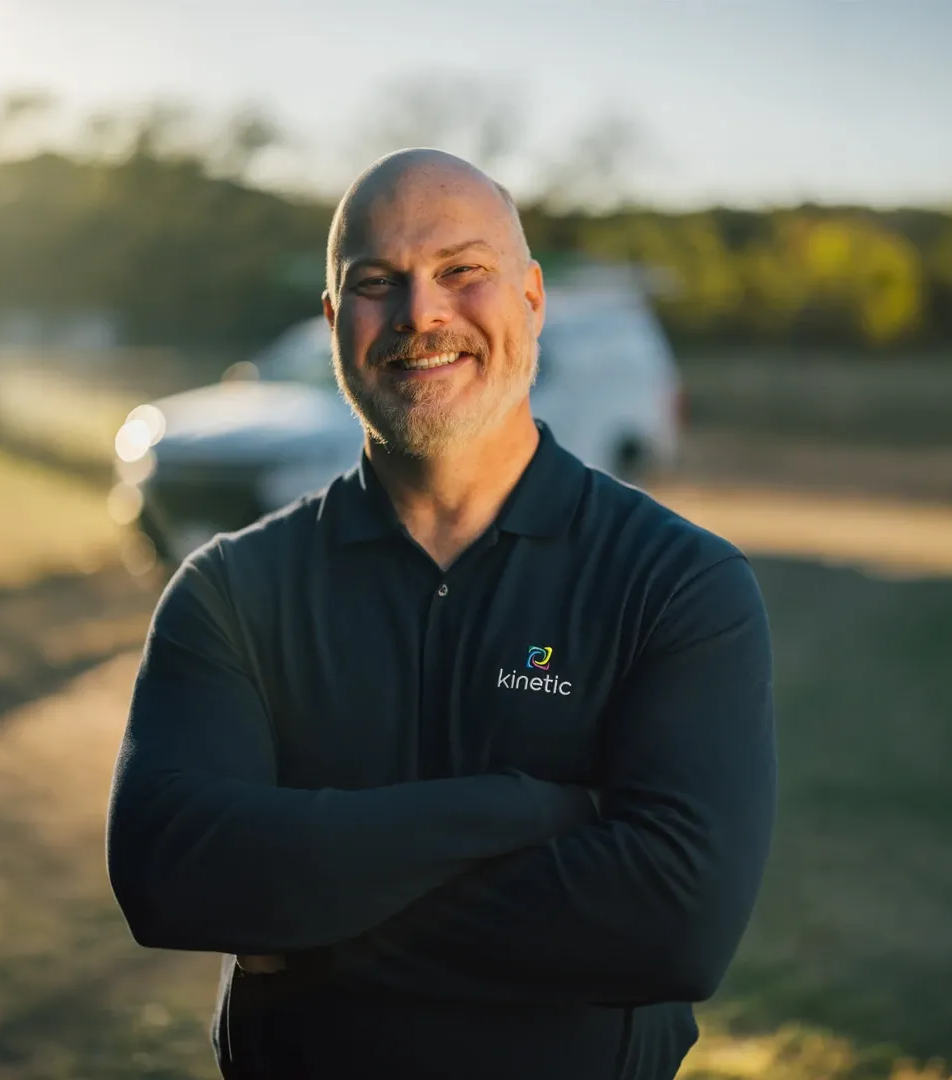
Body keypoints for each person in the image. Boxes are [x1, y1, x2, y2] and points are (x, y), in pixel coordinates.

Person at [106, 148, 776, 1080]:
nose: (422, 312)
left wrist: (308, 918)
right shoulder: (230, 590)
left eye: (463, 271)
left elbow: (675, 929)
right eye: (378, 282)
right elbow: (168, 877)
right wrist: (523, 810)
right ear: (337, 322)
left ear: (533, 299)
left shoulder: (676, 583)